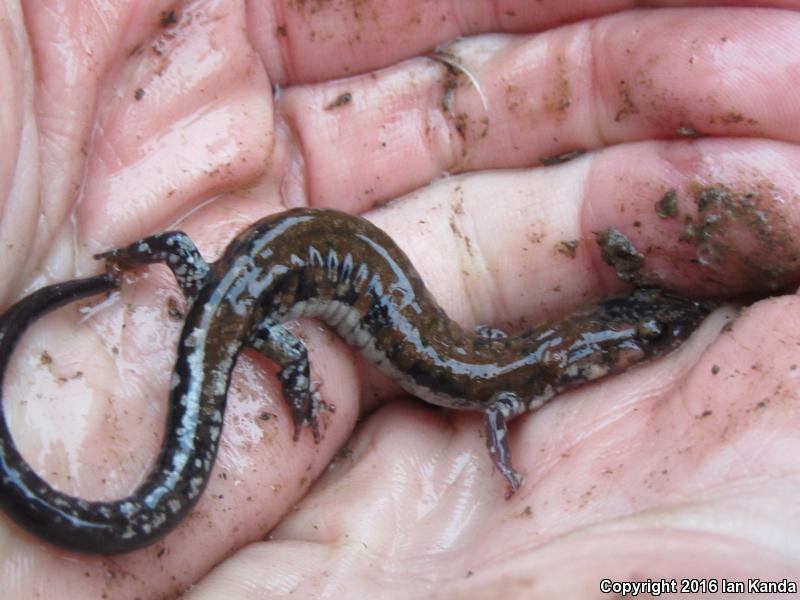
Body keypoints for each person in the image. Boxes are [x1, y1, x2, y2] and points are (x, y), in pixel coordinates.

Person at [1, 1, 798, 597]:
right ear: (575, 362)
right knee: (260, 365)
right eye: (620, 352)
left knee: (216, 306)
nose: (614, 359)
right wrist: (504, 470)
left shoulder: (505, 377)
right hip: (261, 304)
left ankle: (124, 266)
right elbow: (499, 430)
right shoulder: (506, 389)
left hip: (252, 285)